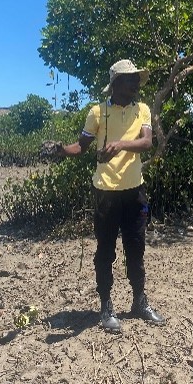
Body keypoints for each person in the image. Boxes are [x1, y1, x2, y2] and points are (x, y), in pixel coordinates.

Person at [59, 59, 165, 333]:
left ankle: (139, 302)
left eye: (136, 79)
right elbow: (80, 147)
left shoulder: (142, 109)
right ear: (116, 84)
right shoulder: (97, 113)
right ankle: (106, 306)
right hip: (105, 191)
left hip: (134, 191)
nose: (135, 84)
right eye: (130, 79)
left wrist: (119, 145)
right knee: (105, 251)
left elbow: (146, 142)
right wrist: (60, 149)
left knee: (136, 249)